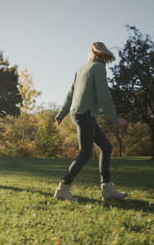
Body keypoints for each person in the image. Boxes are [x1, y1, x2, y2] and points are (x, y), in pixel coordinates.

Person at [53, 42, 129, 201]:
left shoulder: (81, 69)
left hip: (79, 112)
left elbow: (70, 93)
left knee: (106, 147)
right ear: (104, 54)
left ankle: (107, 189)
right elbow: (104, 95)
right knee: (86, 153)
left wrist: (62, 113)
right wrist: (114, 117)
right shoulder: (99, 68)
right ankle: (63, 189)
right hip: (85, 113)